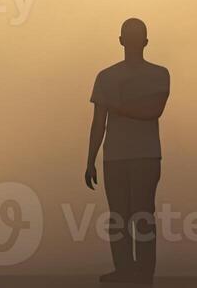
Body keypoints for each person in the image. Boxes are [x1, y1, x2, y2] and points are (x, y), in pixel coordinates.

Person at [84, 17, 170, 284]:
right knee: (122, 216)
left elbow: (152, 111)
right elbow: (99, 122)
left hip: (140, 155)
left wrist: (116, 106)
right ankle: (127, 270)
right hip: (121, 156)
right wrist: (90, 160)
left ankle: (141, 273)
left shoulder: (157, 74)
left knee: (139, 214)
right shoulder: (110, 76)